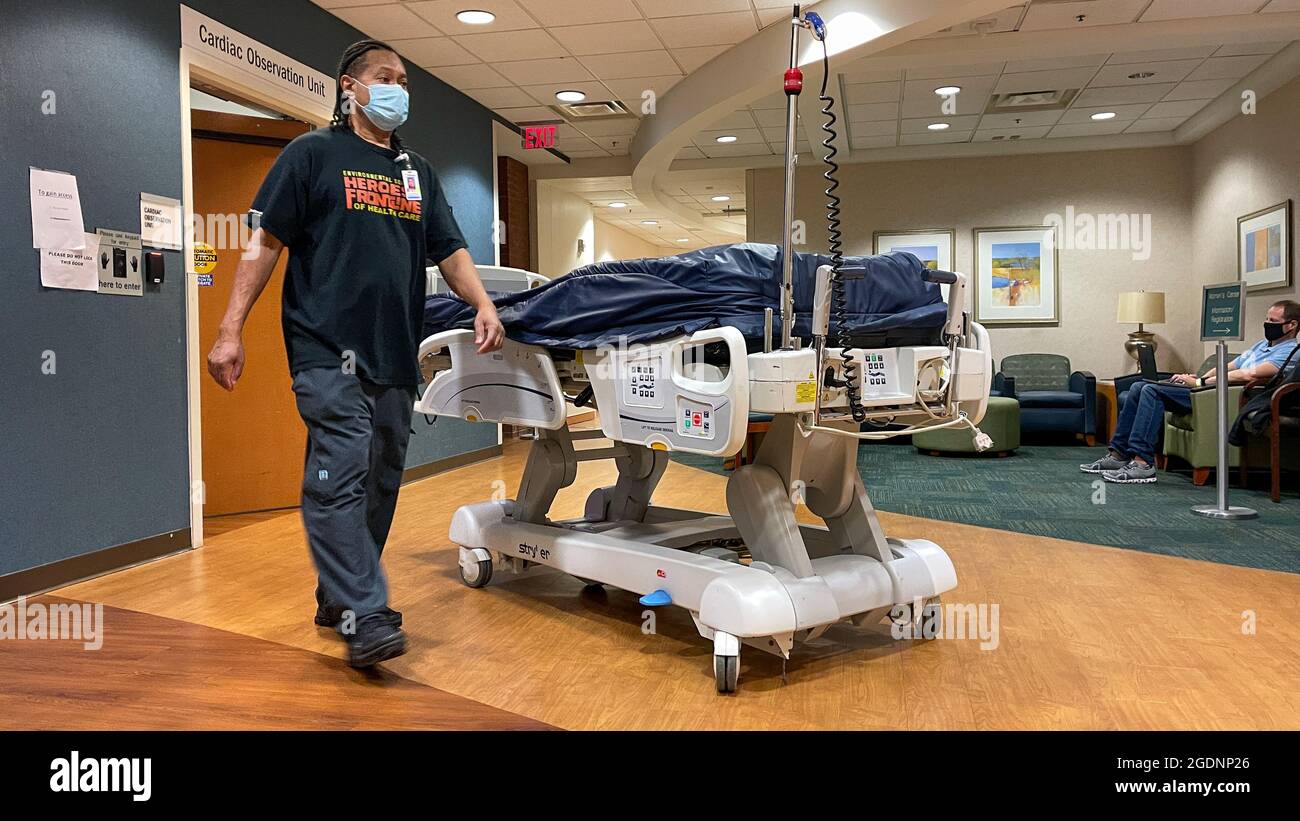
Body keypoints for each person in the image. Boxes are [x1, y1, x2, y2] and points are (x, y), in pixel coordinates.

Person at [206, 39, 504, 668]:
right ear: (351, 86)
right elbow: (265, 244)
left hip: (395, 354)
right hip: (324, 350)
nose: (399, 89)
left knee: (379, 479)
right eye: (385, 77)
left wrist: (482, 302)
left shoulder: (417, 172)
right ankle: (364, 613)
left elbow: (448, 250)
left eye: (405, 82)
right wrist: (230, 327)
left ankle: (336, 595)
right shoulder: (312, 154)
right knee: (339, 473)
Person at [1080, 299, 1299, 485]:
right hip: (1207, 389)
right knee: (1138, 386)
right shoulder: (1262, 345)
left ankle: (1142, 463)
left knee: (1151, 390)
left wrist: (1200, 381)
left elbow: (1248, 375)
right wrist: (1195, 377)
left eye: (1273, 321)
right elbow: (1229, 365)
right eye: (1267, 319)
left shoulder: (1289, 352)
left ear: (1291, 325)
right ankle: (1118, 455)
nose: (1267, 324)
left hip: (1223, 397)